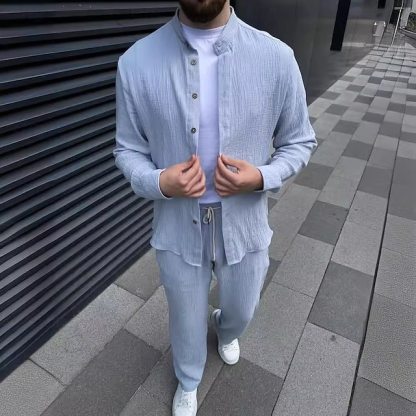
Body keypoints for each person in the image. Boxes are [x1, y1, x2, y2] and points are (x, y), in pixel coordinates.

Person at [113, 1, 317, 414]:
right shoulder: (136, 62)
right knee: (185, 318)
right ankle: (188, 378)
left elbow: (299, 141)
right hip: (177, 226)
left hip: (244, 223)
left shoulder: (276, 57)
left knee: (243, 308)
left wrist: (261, 176)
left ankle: (226, 328)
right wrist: (159, 182)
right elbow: (127, 149)